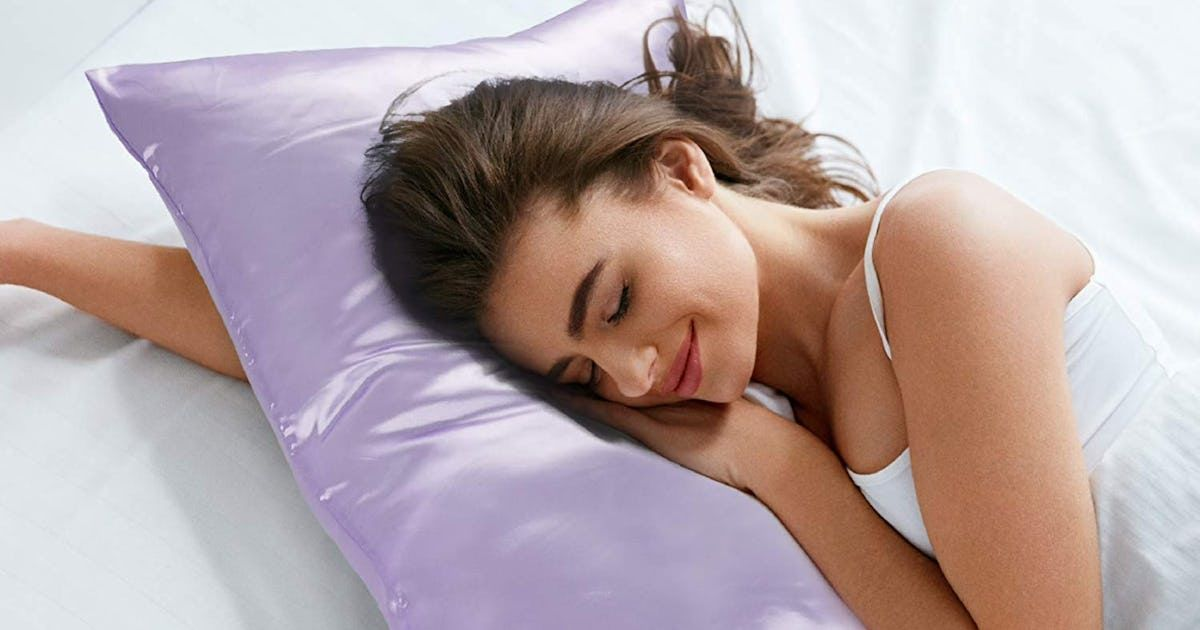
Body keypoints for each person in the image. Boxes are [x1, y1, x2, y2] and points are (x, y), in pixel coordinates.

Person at [3, 4, 1196, 628]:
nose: (628, 378)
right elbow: (328, 352)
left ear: (679, 169)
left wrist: (790, 476)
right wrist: (28, 252)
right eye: (578, 373)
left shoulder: (939, 247)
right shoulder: (725, 383)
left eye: (614, 300)